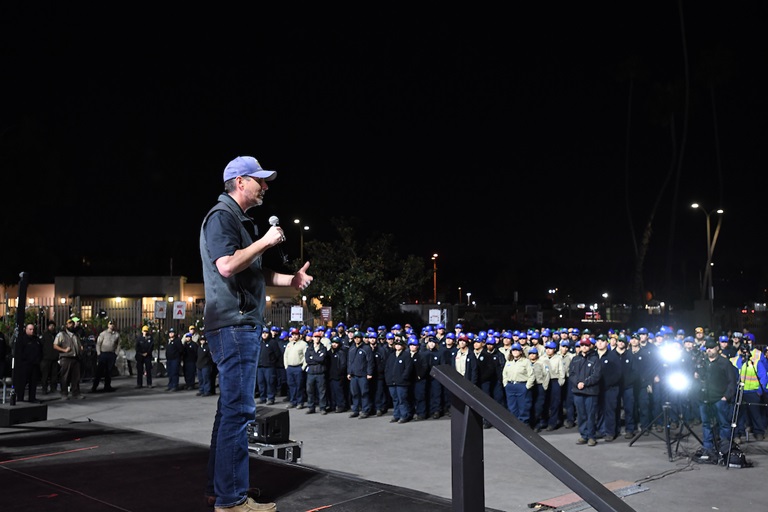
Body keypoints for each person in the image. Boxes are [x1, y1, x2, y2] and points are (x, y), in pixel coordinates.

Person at [199, 155, 312, 512]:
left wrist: (290, 281)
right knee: (239, 412)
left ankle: (220, 491)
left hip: (237, 322)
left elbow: (253, 275)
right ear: (240, 182)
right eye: (260, 181)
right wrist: (264, 242)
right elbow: (228, 265)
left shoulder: (239, 222)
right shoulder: (222, 218)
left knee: (228, 411)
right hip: (234, 324)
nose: (265, 187)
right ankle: (232, 501)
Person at [694, 337, 738, 461]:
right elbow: (697, 379)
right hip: (704, 398)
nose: (709, 350)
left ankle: (724, 448)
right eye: (707, 348)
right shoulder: (703, 362)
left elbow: (731, 382)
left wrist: (726, 397)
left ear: (717, 348)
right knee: (706, 424)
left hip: (720, 399)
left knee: (724, 423)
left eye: (711, 348)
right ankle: (708, 448)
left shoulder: (725, 363)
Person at [570, 339, 602, 446]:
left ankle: (591, 436)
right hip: (578, 391)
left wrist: (584, 383)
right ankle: (584, 435)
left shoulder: (595, 359)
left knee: (591, 415)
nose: (584, 347)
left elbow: (596, 375)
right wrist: (578, 383)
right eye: (582, 345)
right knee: (581, 415)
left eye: (586, 345)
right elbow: (572, 373)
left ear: (590, 346)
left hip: (591, 392)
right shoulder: (575, 359)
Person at [54, 317, 85, 400]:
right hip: (66, 358)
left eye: (72, 323)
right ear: (66, 325)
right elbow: (55, 345)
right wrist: (63, 350)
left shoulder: (76, 335)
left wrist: (80, 348)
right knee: (65, 377)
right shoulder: (61, 334)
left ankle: (76, 393)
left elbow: (78, 344)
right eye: (69, 323)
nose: (71, 325)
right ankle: (64, 393)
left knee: (76, 377)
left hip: (75, 358)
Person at [385, 336, 414, 423]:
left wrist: (403, 377)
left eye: (399, 344)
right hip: (392, 381)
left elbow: (408, 368)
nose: (397, 346)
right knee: (395, 399)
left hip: (402, 382)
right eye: (396, 344)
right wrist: (388, 378)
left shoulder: (406, 355)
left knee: (402, 399)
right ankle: (396, 415)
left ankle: (404, 415)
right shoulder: (391, 355)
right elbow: (387, 368)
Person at [347, 331, 374, 418]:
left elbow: (370, 361)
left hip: (363, 375)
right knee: (354, 393)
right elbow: (349, 362)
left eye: (358, 337)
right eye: (355, 338)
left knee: (364, 393)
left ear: (361, 338)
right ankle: (355, 410)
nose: (356, 339)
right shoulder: (352, 348)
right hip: (354, 375)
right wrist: (349, 372)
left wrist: (369, 373)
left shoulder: (366, 348)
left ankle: (365, 410)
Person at [14, 323, 43, 403]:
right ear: (26, 330)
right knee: (22, 382)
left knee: (33, 382)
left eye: (33, 329)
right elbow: (19, 353)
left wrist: (39, 360)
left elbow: (40, 350)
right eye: (30, 329)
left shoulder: (36, 339)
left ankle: (32, 398)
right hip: (25, 365)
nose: (32, 331)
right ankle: (20, 398)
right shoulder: (22, 339)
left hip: (35, 365)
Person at [283, 327, 308, 409]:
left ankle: (300, 402)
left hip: (298, 367)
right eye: (293, 335)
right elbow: (285, 356)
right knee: (291, 385)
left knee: (299, 386)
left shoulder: (303, 344)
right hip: (290, 368)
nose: (294, 336)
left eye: (296, 335)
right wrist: (286, 366)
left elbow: (306, 356)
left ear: (299, 335)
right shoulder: (289, 344)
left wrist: (303, 367)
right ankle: (292, 401)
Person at [304, 330, 329, 414]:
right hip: (311, 372)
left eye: (318, 337)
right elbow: (307, 360)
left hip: (320, 372)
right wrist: (316, 358)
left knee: (322, 391)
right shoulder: (309, 348)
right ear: (313, 338)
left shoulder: (323, 348)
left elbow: (322, 359)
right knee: (310, 390)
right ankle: (311, 407)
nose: (317, 339)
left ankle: (322, 408)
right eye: (315, 337)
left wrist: (313, 357)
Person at [256, 328, 283, 405]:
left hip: (269, 367)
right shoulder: (259, 342)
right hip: (260, 366)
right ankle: (262, 398)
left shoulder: (272, 342)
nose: (264, 334)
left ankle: (271, 398)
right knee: (261, 383)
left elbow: (278, 354)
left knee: (270, 383)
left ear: (269, 334)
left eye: (266, 333)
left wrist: (272, 362)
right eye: (263, 333)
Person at [92, 320, 120, 392]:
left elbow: (119, 344)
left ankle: (107, 386)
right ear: (108, 325)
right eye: (110, 324)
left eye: (113, 324)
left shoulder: (116, 334)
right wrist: (99, 353)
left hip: (111, 354)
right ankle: (94, 387)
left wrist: (116, 353)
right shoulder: (103, 334)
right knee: (99, 371)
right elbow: (98, 344)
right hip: (103, 354)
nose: (112, 326)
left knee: (109, 371)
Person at [40, 320, 60, 395]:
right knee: (45, 375)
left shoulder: (56, 335)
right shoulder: (44, 335)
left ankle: (53, 388)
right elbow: (41, 346)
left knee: (54, 375)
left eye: (53, 326)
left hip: (54, 358)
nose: (52, 327)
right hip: (46, 358)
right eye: (50, 326)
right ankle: (44, 389)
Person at [165, 327, 183, 391]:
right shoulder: (168, 341)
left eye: (172, 333)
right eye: (170, 333)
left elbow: (180, 349)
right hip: (169, 359)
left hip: (175, 359)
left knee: (174, 372)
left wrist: (178, 356)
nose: (171, 334)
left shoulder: (177, 340)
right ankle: (170, 385)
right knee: (170, 372)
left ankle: (175, 385)